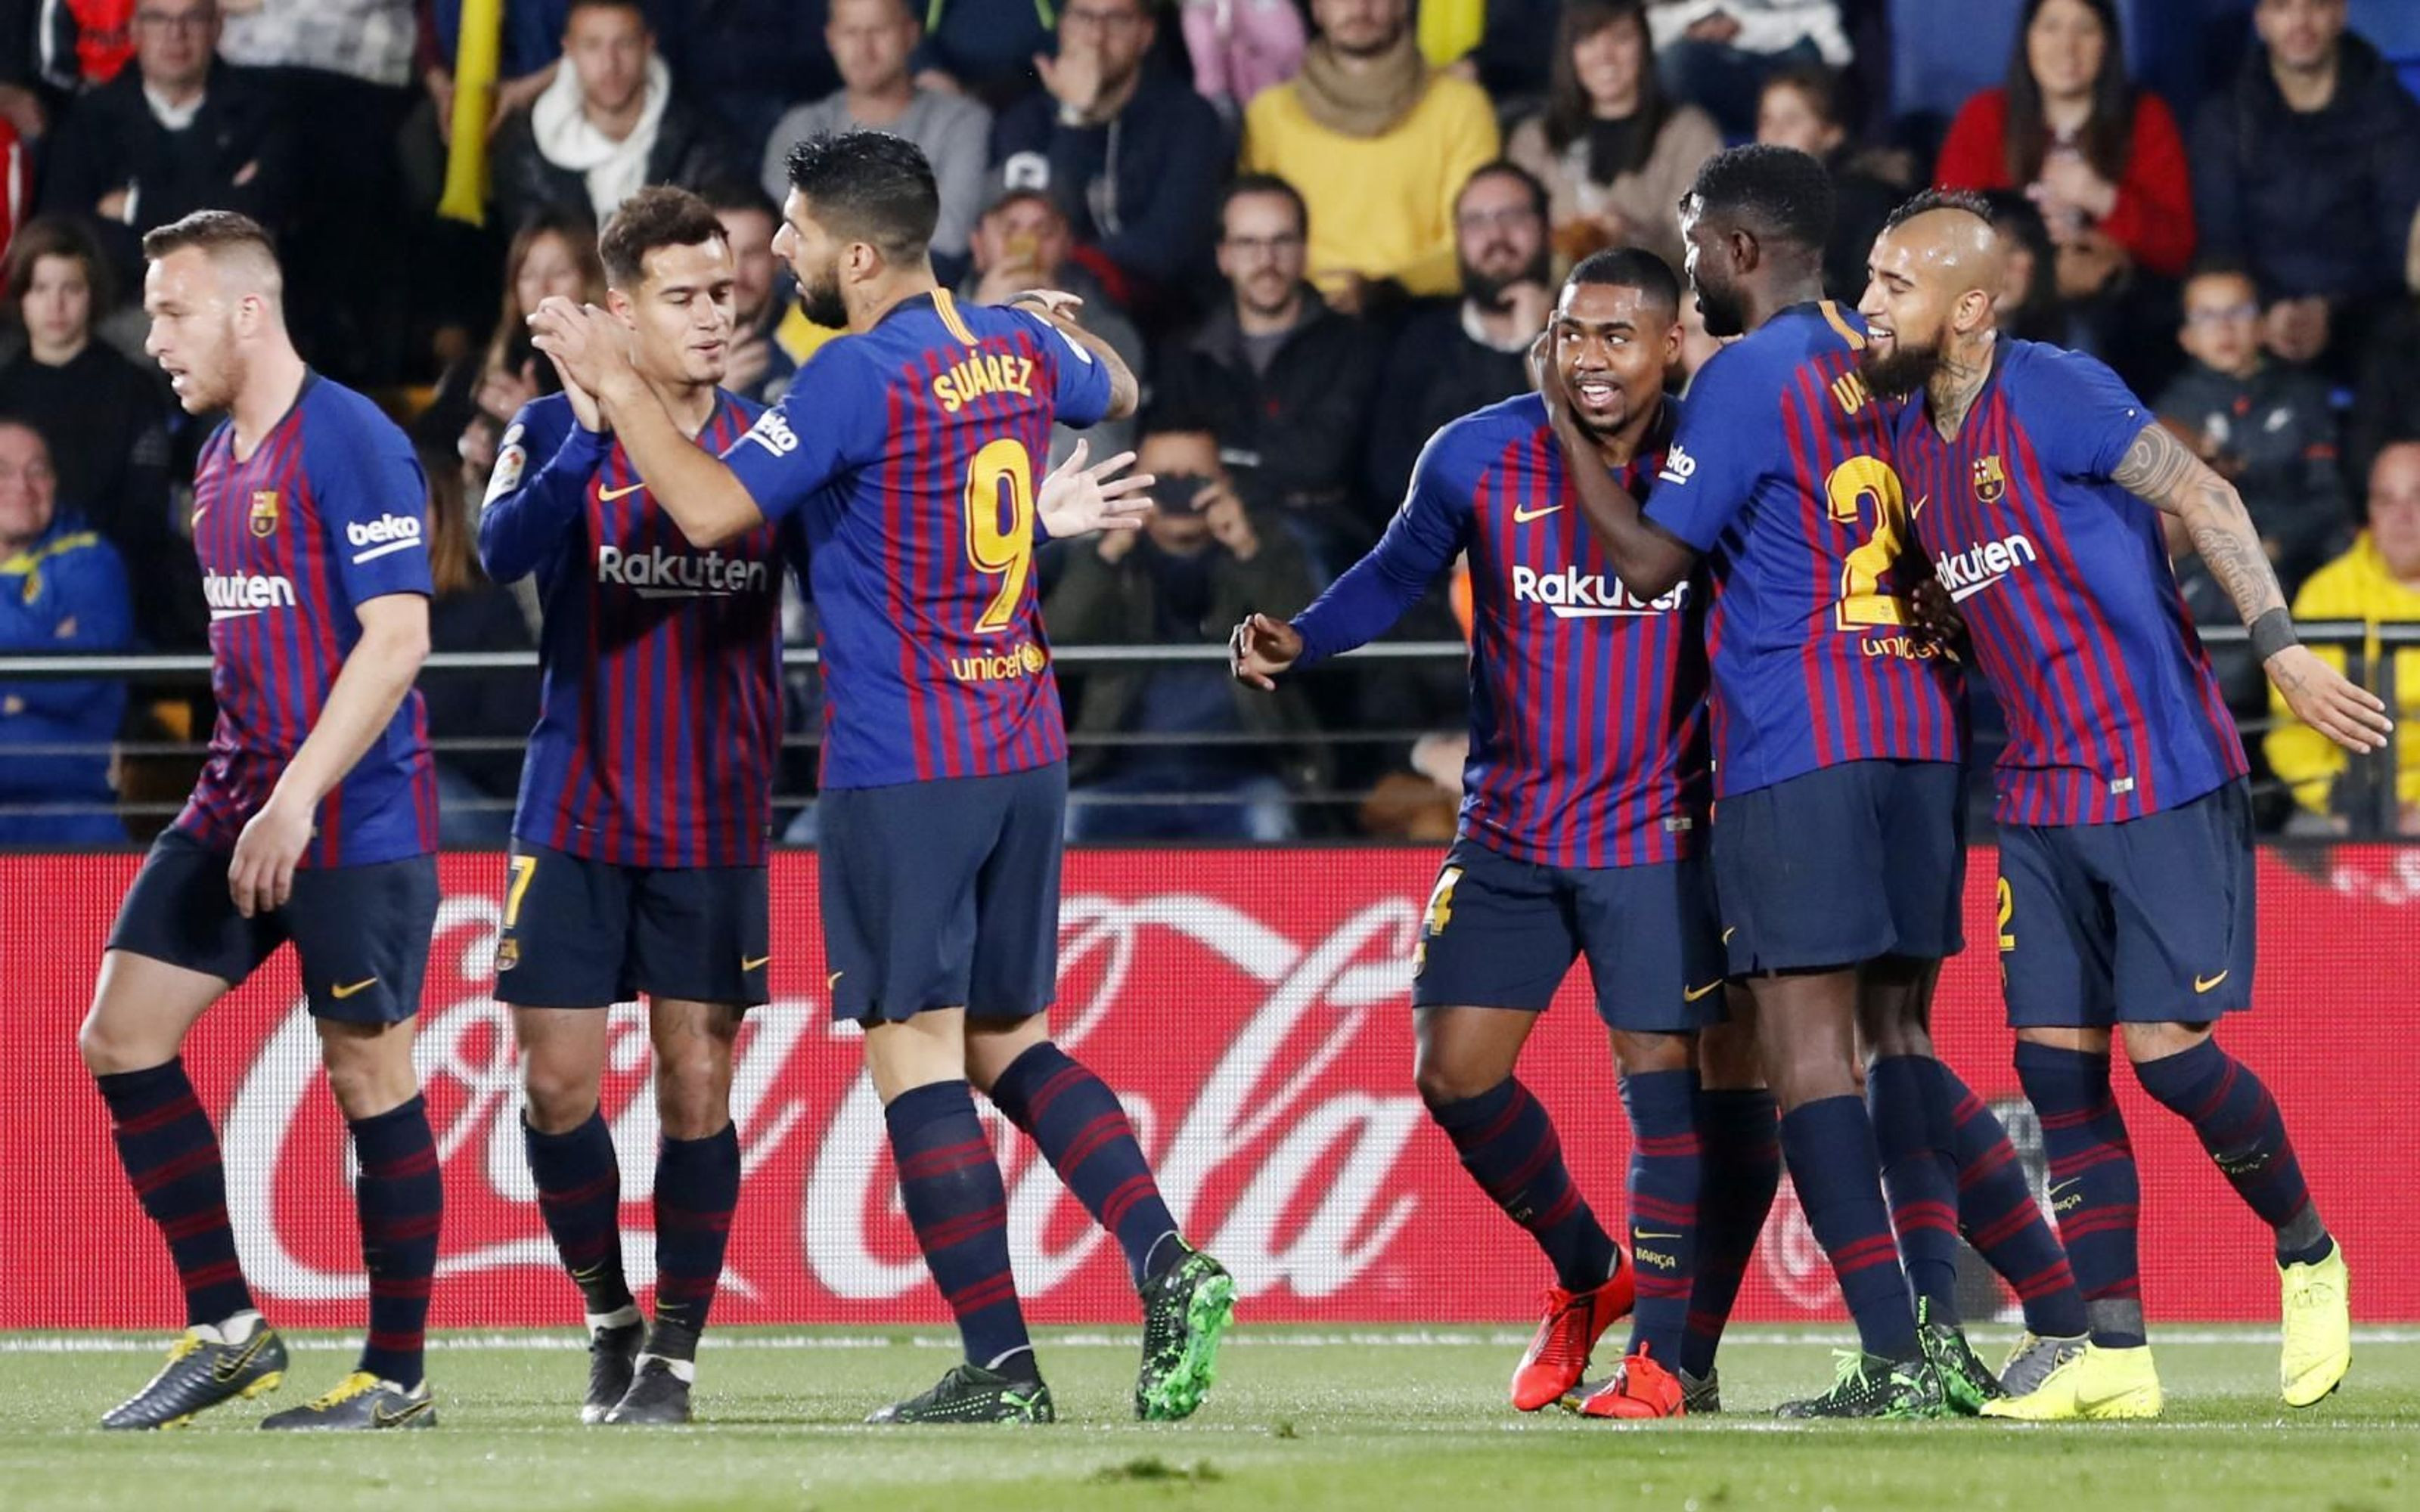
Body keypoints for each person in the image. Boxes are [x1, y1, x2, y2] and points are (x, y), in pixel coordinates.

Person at [530, 129, 1236, 1426]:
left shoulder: (848, 374)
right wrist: (1032, 338)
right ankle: (1164, 1260)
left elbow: (703, 510)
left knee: (914, 1056)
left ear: (856, 253)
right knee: (1007, 1039)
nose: (771, 254)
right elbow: (1120, 388)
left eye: (790, 232)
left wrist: (614, 383)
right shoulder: (1011, 344)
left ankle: (1006, 1371)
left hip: (905, 760)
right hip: (1022, 742)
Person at [1860, 187, 2380, 1419]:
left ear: (1971, 307)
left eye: (1894, 283)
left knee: (2167, 1058)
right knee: (2054, 1065)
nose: (1869, 304)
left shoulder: (2057, 391)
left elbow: (2205, 498)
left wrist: (2285, 647)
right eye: (1870, 280)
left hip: (2154, 769)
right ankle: (2115, 1353)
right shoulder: (1902, 443)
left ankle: (2308, 1256)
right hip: (2035, 792)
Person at [1236, 247, 1772, 1421]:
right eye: (1574, 334)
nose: (1590, 358)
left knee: (1660, 1085)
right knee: (1456, 1077)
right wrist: (1305, 639)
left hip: (1655, 829)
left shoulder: (1710, 456)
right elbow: (1392, 574)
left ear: (1671, 345)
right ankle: (1589, 1276)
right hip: (1510, 829)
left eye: (1617, 337)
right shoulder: (1473, 451)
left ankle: (1664, 1363)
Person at [1545, 145, 2031, 1418]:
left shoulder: (1752, 374)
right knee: (1902, 1037)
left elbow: (1654, 564)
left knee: (1807, 1057)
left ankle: (1896, 1356)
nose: (1686, 258)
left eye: (1695, 236)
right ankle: (1952, 1329)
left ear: (1744, 250)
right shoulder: (1891, 362)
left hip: (1797, 737)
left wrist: (1564, 426)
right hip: (1924, 730)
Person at [78, 210, 443, 1430]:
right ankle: (231, 1328)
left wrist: (297, 800)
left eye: (172, 310)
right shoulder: (218, 460)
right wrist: (255, 800)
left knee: (366, 1074)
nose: (154, 334)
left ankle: (395, 1380)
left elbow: (399, 637)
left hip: (350, 819)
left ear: (247, 310)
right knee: (120, 1034)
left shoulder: (352, 440)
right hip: (237, 800)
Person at [478, 187, 777, 1427]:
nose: (713, 316)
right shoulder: (552, 424)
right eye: (683, 297)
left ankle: (676, 1356)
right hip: (576, 808)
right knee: (555, 1085)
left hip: (716, 814)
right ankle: (609, 1316)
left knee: (695, 1081)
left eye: (724, 293)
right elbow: (497, 551)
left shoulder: (770, 440)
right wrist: (596, 427)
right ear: (620, 310)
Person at [1050, 419, 1325, 841]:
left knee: (1269, 824)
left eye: (1194, 479)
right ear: (1136, 484)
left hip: (1243, 775)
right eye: (1161, 481)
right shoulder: (1105, 558)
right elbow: (1058, 640)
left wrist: (1246, 551)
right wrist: (1112, 549)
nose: (1178, 494)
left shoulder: (1268, 548)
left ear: (1223, 482)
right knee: (1067, 822)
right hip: (1120, 774)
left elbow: (1307, 642)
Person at [1932, 0, 2192, 359]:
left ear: (2108, 43)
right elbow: (1949, 228)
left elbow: (2177, 247)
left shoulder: (2145, 118)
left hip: (2112, 311)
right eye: (2051, 27)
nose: (2067, 46)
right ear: (2028, 38)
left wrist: (2102, 197)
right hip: (2003, 294)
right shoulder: (1985, 116)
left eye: (2085, 29)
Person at [1154, 175, 1386, 575]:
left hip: (1325, 530)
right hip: (1208, 524)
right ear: (1224, 257)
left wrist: (1230, 475)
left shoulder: (1355, 344)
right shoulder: (1186, 351)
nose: (1266, 261)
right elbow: (1170, 460)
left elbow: (1324, 460)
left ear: (1303, 252)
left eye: (1281, 242)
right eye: (1248, 244)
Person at [2191, 0, 2420, 376]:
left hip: (2365, 317)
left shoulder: (2393, 114)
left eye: (2315, 5)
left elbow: (2402, 248)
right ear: (2261, 20)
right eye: (2282, 7)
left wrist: (2330, 309)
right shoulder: (2225, 119)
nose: (2300, 22)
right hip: (2257, 313)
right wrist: (2267, 309)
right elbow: (2220, 241)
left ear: (2340, 13)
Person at [2154, 264, 2348, 702]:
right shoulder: (2167, 416)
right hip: (2205, 583)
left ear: (2262, 325)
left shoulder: (2305, 396)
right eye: (2206, 316)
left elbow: (2329, 501)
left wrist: (2274, 542)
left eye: (2237, 312)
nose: (2224, 328)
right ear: (2185, 336)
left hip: (2297, 570)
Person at [0, 215, 193, 649]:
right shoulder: (5, 389)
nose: (56, 306)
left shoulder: (132, 388)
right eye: (41, 289)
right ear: (22, 297)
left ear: (93, 295)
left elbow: (143, 514)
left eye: (71, 288)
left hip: (109, 582)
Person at [1239, 0, 1501, 311]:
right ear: (1316, 8)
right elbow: (1250, 238)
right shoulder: (1270, 115)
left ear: (1403, 6)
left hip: (1421, 314)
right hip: (1299, 316)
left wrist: (1387, 290)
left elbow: (1474, 241)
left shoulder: (1461, 107)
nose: (1359, 7)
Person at [38, 0, 296, 287]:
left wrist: (135, 207)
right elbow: (65, 233)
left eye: (194, 18)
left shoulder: (263, 113)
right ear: (134, 30)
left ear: (217, 27)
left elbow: (259, 221)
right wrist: (221, 202)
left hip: (230, 304)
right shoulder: (88, 119)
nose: (176, 33)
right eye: (158, 18)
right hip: (118, 304)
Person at [991, 0, 1227, 311]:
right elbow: (1032, 229)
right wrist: (1074, 120)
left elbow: (1168, 247)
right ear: (1062, 26)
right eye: (1083, 16)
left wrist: (1084, 266)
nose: (1097, 36)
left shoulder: (1188, 118)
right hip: (1048, 307)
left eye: (1117, 19)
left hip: (1167, 318)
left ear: (1146, 33)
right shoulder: (1025, 122)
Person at [1365, 162, 1553, 511]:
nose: (1496, 235)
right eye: (1476, 221)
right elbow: (1388, 474)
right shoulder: (1420, 342)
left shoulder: (1591, 336)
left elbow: (1594, 462)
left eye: (1512, 216)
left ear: (1545, 229)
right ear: (1459, 238)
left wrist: (1534, 343)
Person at [762, 0, 991, 277]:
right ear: (831, 38)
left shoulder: (960, 121)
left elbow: (950, 235)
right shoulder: (801, 127)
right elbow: (788, 238)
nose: (863, 50)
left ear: (911, 34)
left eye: (879, 31)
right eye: (850, 33)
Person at [2265, 441, 2420, 836]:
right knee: (2304, 841)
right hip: (2350, 805)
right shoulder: (2326, 592)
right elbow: (2292, 729)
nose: (2404, 516)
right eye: (2386, 500)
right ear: (2370, 512)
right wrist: (2343, 804)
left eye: (2418, 496)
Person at [1506, 0, 1722, 277]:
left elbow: (1703, 249)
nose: (1605, 55)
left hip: (1654, 301)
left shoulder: (1689, 132)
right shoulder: (1534, 139)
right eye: (1588, 39)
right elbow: (1513, 239)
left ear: (1644, 45)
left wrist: (1631, 236)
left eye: (1621, 38)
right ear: (1569, 51)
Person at [489, 0, 734, 230]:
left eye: (625, 44)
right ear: (569, 50)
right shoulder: (525, 147)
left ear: (648, 44)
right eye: (592, 46)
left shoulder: (700, 141)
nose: (610, 64)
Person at [0, 417, 129, 845]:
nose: (23, 485)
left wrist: (19, 689)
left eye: (38, 470)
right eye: (3, 471)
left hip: (68, 804)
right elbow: (52, 674)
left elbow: (81, 678)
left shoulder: (90, 559)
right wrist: (43, 639)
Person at [958, 185, 1143, 467]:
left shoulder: (1110, 332)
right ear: (978, 244)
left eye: (1044, 231)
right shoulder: (930, 320)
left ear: (1068, 245)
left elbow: (1099, 454)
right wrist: (981, 323)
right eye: (1010, 228)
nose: (1026, 243)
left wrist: (1057, 330)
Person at [419, 211, 605, 489]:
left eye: (560, 273)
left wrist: (534, 423)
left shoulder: (611, 367)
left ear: (589, 280)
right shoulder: (480, 370)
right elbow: (419, 445)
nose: (543, 288)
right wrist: (465, 447)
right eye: (528, 275)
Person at [1754, 61, 1904, 303]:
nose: (1774, 132)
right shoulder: (1752, 203)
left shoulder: (1861, 202)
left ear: (1832, 133)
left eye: (1791, 121)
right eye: (1766, 120)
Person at [1647, 0, 1852, 144]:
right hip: (1702, 58)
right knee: (1675, 64)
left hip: (1788, 50)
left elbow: (1822, 25)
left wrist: (1742, 26)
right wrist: (1692, 26)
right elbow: (1641, 24)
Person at [703, 180, 799, 405]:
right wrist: (711, 400)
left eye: (753, 253)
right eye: (722, 252)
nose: (737, 272)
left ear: (778, 258)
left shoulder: (820, 340)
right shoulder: (662, 345)